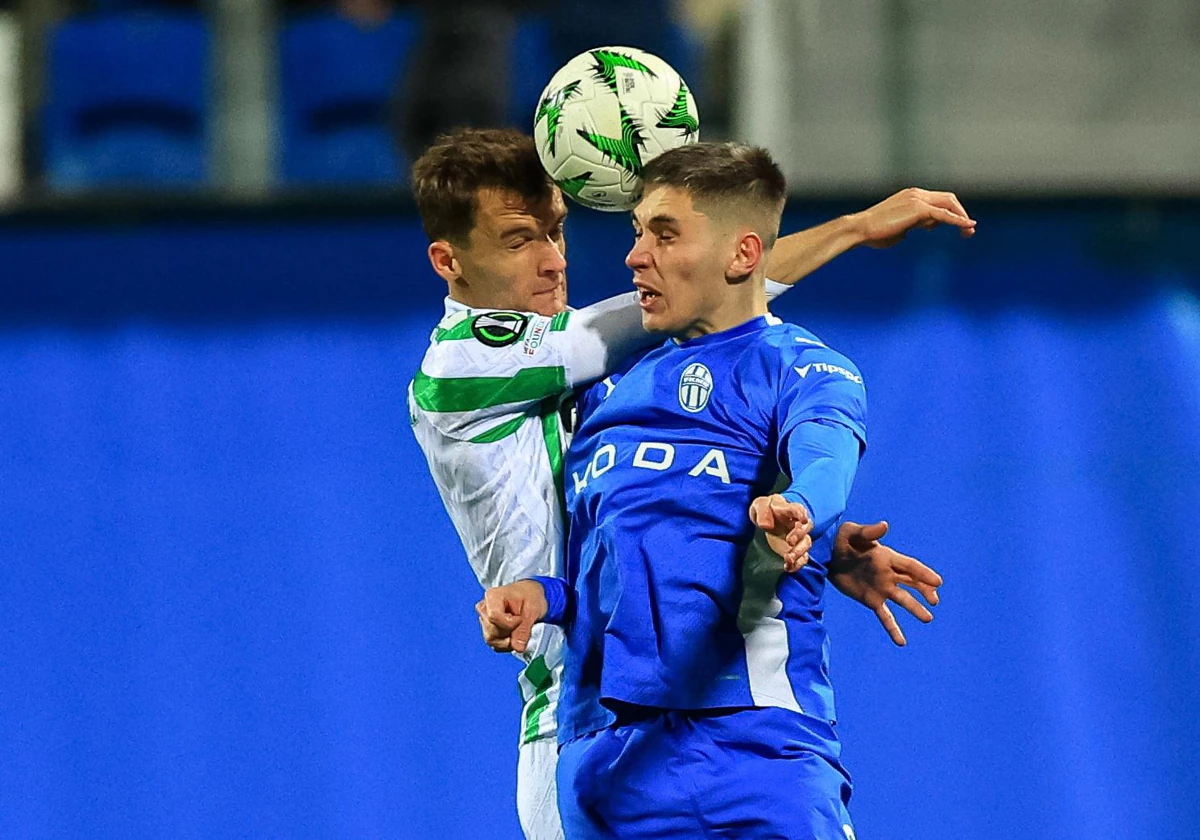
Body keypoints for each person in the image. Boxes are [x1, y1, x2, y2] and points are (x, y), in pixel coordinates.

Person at [409, 127, 971, 840]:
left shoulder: (625, 385)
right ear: (447, 261)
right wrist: (853, 229)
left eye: (558, 231)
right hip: (575, 720)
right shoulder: (460, 368)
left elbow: (665, 488)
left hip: (684, 717)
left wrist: (810, 531)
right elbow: (679, 303)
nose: (554, 262)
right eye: (521, 240)